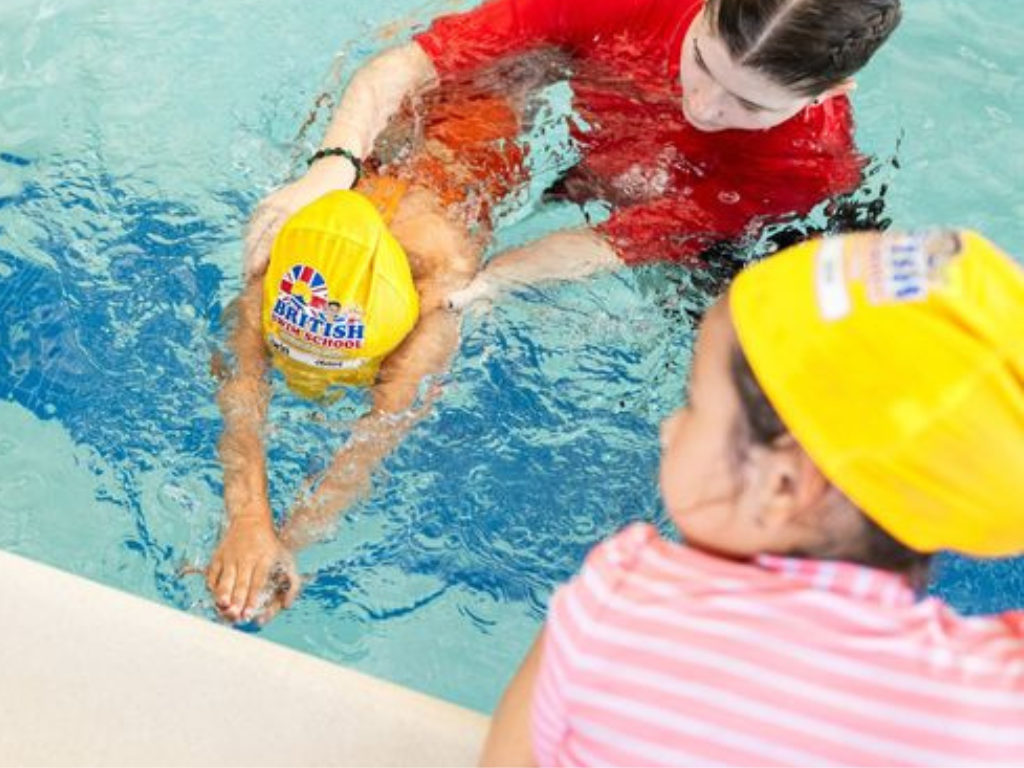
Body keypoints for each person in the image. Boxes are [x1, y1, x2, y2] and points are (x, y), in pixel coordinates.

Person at [480, 229, 1024, 766]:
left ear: (783, 486)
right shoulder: (989, 707)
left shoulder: (616, 599)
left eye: (694, 404)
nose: (670, 429)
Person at [243, 0, 902, 306]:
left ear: (832, 91)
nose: (702, 106)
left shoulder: (804, 165)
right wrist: (331, 167)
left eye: (749, 105)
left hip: (750, 220)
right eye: (702, 62)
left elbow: (607, 246)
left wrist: (485, 286)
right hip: (612, 142)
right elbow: (407, 65)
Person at [207, 168, 486, 626]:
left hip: (472, 147)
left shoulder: (440, 285)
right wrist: (248, 519)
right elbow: (240, 386)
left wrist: (286, 545)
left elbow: (381, 432)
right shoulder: (289, 247)